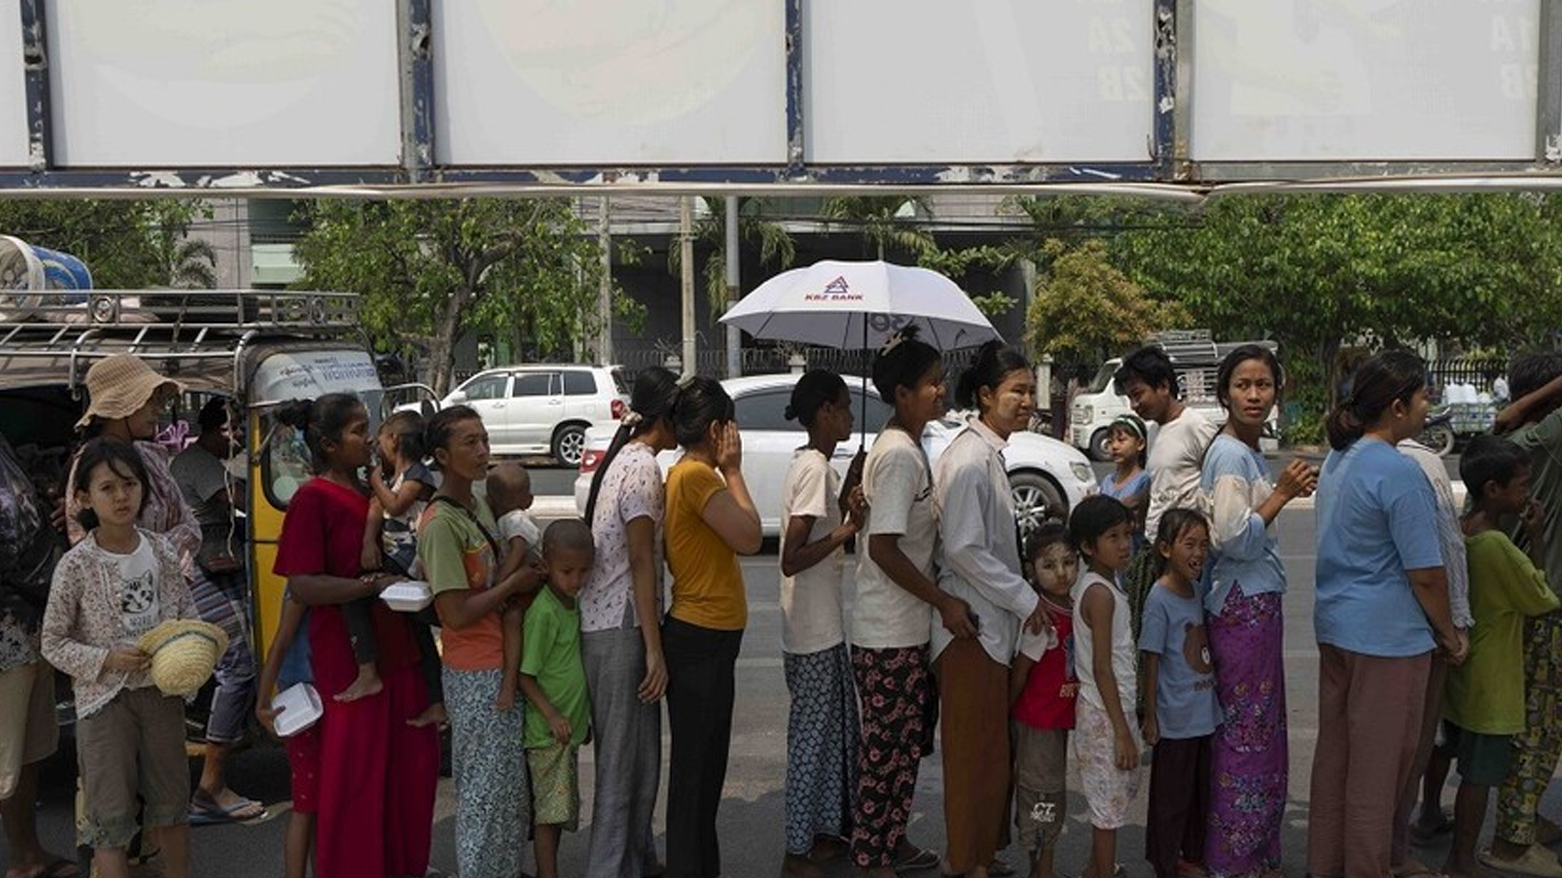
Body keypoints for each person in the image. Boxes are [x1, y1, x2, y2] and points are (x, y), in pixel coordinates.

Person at [1308, 351, 1467, 878]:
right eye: (1423, 397)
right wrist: (1449, 633)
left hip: (1338, 627)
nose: (1429, 406)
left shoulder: (1340, 458)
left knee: (1337, 761)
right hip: (1387, 640)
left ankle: (1329, 864)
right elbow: (1426, 573)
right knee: (1379, 774)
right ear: (1398, 406)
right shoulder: (1399, 471)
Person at [273, 394, 440, 878]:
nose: (367, 439)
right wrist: (369, 586)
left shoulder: (371, 490)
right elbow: (303, 584)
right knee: (360, 785)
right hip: (350, 662)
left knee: (410, 776)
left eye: (368, 427)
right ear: (327, 444)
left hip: (399, 650)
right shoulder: (312, 498)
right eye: (355, 431)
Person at [42, 438, 196, 878]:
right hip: (102, 703)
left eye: (129, 484)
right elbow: (53, 642)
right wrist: (106, 659)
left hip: (161, 696)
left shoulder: (163, 551)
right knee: (109, 820)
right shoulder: (76, 565)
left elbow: (189, 616)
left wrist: (183, 652)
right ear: (84, 498)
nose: (121, 496)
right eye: (107, 488)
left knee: (171, 807)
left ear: (144, 489)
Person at [850, 326, 966, 878]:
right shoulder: (898, 454)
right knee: (885, 753)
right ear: (901, 394)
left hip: (904, 628)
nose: (941, 392)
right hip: (887, 632)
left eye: (941, 382)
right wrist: (943, 600)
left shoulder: (905, 447)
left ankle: (889, 842)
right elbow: (884, 549)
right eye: (931, 384)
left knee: (903, 750)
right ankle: (871, 856)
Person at [933, 342, 1051, 878]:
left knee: (988, 755)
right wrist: (1026, 598)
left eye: (1030, 390)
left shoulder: (988, 455)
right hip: (970, 632)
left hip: (988, 627)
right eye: (1016, 392)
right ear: (985, 395)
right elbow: (963, 547)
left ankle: (979, 855)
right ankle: (966, 861)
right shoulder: (968, 459)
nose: (1027, 401)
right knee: (972, 757)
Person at [1199, 345, 1315, 878]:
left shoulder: (1243, 451)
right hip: (1241, 607)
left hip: (1253, 606)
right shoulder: (1228, 455)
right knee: (1247, 734)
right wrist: (1283, 495)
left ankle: (1254, 851)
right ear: (1225, 393)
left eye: (1263, 385)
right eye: (1243, 385)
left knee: (1258, 730)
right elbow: (1232, 539)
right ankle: (1235, 858)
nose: (1253, 395)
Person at [418, 405, 541, 878]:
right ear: (442, 455)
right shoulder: (439, 523)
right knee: (483, 798)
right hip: (475, 673)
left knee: (508, 794)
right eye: (469, 443)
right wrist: (514, 585)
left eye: (484, 440)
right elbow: (455, 613)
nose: (482, 450)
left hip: (501, 663)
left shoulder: (479, 505)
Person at [1444, 437, 1560, 878]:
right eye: (1522, 485)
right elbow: (1541, 597)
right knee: (1479, 776)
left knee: (1468, 763)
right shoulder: (1497, 546)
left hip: (1468, 672)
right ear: (1493, 489)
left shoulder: (1464, 530)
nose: (1528, 493)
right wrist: (1537, 539)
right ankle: (1461, 860)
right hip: (1494, 680)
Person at [579, 367, 678, 878]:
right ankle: (609, 866)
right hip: (620, 627)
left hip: (612, 624)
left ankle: (635, 859)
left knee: (637, 759)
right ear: (666, 417)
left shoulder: (628, 459)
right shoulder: (641, 467)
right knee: (622, 763)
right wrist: (654, 649)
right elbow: (642, 560)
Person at [662, 376, 762, 878]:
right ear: (718, 428)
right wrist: (735, 470)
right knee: (696, 774)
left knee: (703, 772)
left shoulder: (691, 474)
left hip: (708, 636)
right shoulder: (697, 476)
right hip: (699, 636)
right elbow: (748, 536)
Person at [777, 371, 865, 878]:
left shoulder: (815, 465)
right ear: (826, 413)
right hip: (812, 631)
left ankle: (822, 833)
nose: (851, 416)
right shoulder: (813, 469)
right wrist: (846, 531)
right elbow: (791, 556)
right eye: (845, 408)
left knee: (833, 734)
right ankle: (795, 849)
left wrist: (848, 484)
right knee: (812, 739)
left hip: (817, 627)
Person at [170, 397, 263, 824]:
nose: (239, 438)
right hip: (200, 572)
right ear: (215, 432)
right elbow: (245, 497)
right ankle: (209, 788)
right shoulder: (198, 463)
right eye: (235, 431)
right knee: (238, 664)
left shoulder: (202, 460)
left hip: (215, 565)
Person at [1488, 351, 1562, 875]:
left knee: (1528, 720)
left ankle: (1524, 818)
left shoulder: (1507, 447)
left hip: (1512, 603)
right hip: (1543, 603)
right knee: (1539, 724)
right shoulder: (1544, 442)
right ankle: (1513, 840)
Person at [1394, 431, 1473, 867]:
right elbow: (1443, 555)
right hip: (1416, 631)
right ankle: (1394, 853)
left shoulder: (1343, 460)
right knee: (1412, 746)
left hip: (1364, 631)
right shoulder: (1416, 464)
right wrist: (1453, 626)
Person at [0, 432, 76, 878]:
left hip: (29, 626)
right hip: (8, 627)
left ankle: (27, 855)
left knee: (26, 753)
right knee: (7, 756)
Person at [1113, 347, 1218, 643]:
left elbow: (1218, 481)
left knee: (1189, 636)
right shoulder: (1155, 431)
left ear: (1163, 386)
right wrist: (1135, 502)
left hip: (1189, 556)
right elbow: (1162, 480)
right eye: (1130, 398)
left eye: (1138, 394)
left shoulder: (1196, 427)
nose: (1134, 405)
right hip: (1158, 551)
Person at [1139, 509, 1221, 878]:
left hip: (1203, 714)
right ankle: (1165, 860)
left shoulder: (1197, 588)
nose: (1199, 553)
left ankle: (1189, 854)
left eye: (1204, 545)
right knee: (1170, 798)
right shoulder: (1160, 599)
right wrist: (1151, 714)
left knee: (1197, 795)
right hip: (1174, 720)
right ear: (1165, 549)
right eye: (1189, 544)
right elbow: (1152, 658)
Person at [519, 519, 597, 878]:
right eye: (567, 571)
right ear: (546, 564)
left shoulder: (571, 604)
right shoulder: (545, 611)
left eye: (584, 571)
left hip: (566, 731)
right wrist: (551, 715)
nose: (577, 580)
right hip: (547, 734)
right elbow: (525, 674)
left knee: (558, 810)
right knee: (549, 816)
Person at [1069, 495, 1141, 878]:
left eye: (1127, 534)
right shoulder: (1099, 593)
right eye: (1112, 537)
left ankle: (1096, 867)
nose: (1124, 544)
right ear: (1086, 546)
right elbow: (1101, 668)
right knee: (1107, 807)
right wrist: (1122, 731)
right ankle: (1102, 870)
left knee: (1109, 797)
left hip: (1109, 708)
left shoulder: (1105, 585)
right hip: (1103, 712)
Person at [346, 410, 439, 705]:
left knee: (354, 595)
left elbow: (395, 506)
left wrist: (374, 480)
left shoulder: (416, 476)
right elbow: (377, 507)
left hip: (412, 561)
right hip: (394, 557)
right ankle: (433, 700)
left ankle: (368, 671)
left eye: (382, 437)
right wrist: (366, 543)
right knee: (419, 636)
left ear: (394, 440)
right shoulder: (391, 478)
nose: (375, 443)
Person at [1010, 522, 1080, 878]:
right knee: (1043, 795)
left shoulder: (1071, 607)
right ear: (1032, 571)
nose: (1062, 573)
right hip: (1038, 722)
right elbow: (1021, 671)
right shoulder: (1041, 619)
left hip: (1056, 720)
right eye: (1049, 565)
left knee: (1047, 792)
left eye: (1068, 562)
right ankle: (1041, 867)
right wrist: (1007, 710)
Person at [253, 590, 317, 878]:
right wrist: (263, 700)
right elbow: (280, 641)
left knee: (316, 803)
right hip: (303, 701)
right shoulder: (302, 584)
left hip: (313, 695)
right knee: (306, 803)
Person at [489, 462, 542, 711]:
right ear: (529, 499)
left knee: (511, 619)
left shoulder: (514, 519)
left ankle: (510, 683)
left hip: (533, 583)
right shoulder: (511, 517)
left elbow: (519, 551)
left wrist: (501, 585)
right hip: (524, 582)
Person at [1099, 413, 1150, 551]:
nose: (1114, 446)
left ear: (1140, 444)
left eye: (1121, 440)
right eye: (1110, 441)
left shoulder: (1144, 481)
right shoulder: (1107, 481)